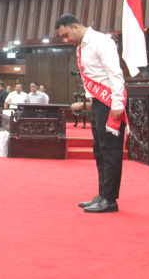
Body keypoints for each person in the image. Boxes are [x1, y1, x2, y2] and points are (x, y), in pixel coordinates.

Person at [56, 13, 127, 214]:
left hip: (109, 102)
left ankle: (110, 199)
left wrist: (118, 103)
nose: (65, 39)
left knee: (110, 150)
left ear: (76, 27)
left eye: (66, 34)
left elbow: (115, 73)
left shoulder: (101, 41)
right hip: (97, 102)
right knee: (99, 150)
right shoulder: (82, 47)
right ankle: (103, 194)